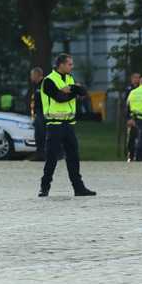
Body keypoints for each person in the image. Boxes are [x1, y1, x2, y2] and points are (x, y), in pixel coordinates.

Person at [38, 53, 96, 197]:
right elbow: (60, 98)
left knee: (73, 157)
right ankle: (44, 188)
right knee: (52, 157)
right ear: (62, 65)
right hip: (55, 125)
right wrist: (73, 90)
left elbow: (83, 91)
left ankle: (79, 188)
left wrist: (70, 88)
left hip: (69, 126)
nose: (72, 66)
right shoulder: (49, 81)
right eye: (70, 64)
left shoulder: (69, 79)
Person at [29, 67, 47, 162]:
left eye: (32, 74)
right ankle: (39, 155)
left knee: (44, 135)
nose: (30, 76)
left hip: (44, 114)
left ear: (37, 74)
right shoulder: (36, 86)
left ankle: (51, 154)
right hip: (38, 114)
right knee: (38, 135)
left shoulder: (45, 84)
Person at [122, 72, 141, 161]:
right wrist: (128, 118)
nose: (138, 79)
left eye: (139, 77)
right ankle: (130, 155)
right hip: (131, 117)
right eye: (136, 77)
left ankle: (137, 155)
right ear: (132, 78)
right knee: (131, 138)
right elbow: (127, 105)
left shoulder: (139, 89)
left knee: (138, 137)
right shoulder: (129, 90)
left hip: (138, 117)